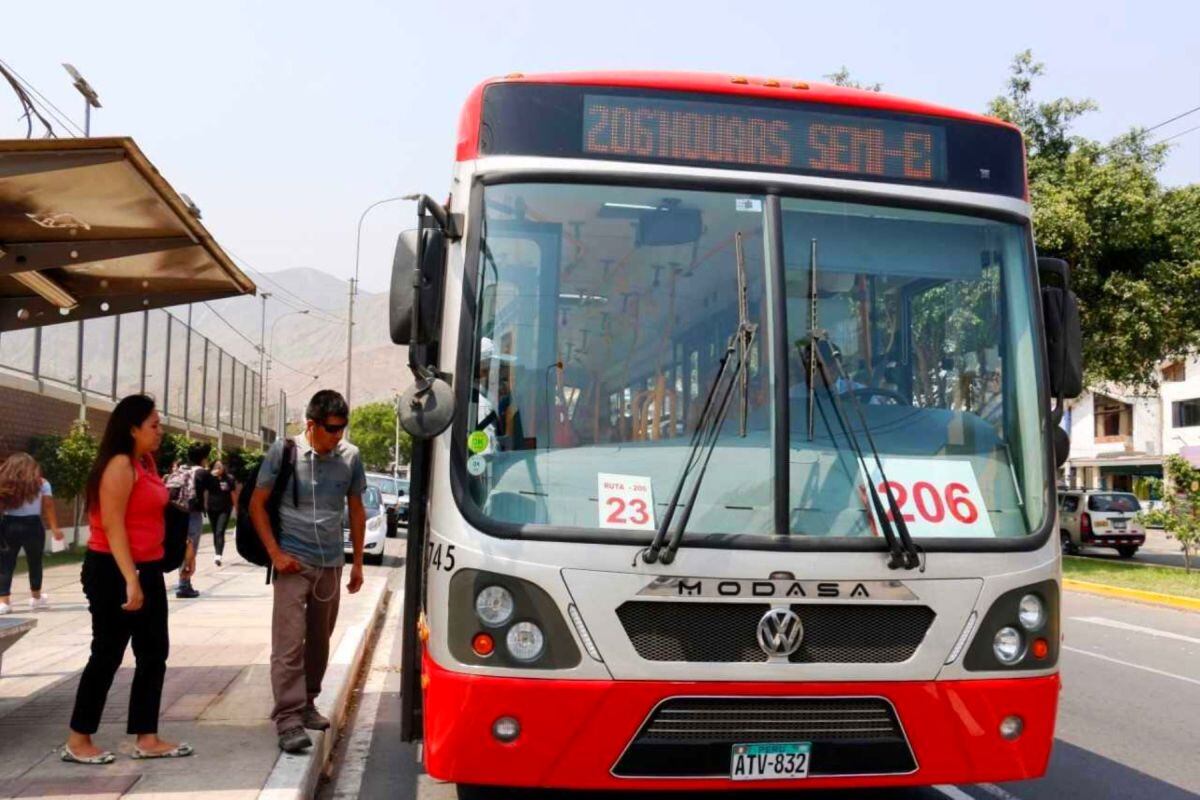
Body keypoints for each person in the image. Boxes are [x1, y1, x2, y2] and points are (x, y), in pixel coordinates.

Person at [63, 394, 195, 764]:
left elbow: (153, 514)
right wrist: (130, 579)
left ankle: (147, 737)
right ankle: (78, 739)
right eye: (154, 424)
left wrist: (182, 545)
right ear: (132, 428)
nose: (160, 431)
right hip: (113, 570)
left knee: (154, 654)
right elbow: (112, 525)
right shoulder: (120, 465)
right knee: (107, 653)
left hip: (146, 568)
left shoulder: (145, 463)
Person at [249, 389, 365, 754]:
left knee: (319, 640)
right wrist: (275, 554)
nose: (338, 436)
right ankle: (287, 720)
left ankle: (308, 702)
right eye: (331, 429)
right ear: (311, 424)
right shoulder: (284, 453)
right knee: (288, 643)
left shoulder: (351, 457)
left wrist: (357, 562)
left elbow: (357, 509)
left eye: (343, 428)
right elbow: (257, 504)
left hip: (330, 564)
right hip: (292, 564)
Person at [0, 452, 65, 614]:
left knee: (5, 564)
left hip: (9, 524)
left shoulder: (4, 483)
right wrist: (55, 528)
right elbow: (48, 506)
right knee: (35, 562)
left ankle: (4, 602)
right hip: (33, 525)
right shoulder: (42, 483)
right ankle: (36, 598)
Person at [171, 443, 210, 599]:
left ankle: (182, 582)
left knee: (181, 548)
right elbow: (216, 489)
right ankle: (184, 585)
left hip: (176, 512)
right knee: (191, 549)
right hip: (192, 513)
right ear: (204, 457)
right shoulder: (201, 473)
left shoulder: (180, 469)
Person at [204, 461, 236, 567]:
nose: (218, 468)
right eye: (216, 466)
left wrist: (237, 508)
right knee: (215, 532)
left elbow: (233, 493)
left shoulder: (229, 479)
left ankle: (218, 555)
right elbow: (204, 490)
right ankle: (217, 551)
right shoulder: (209, 478)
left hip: (225, 508)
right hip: (212, 508)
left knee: (220, 531)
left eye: (220, 466)